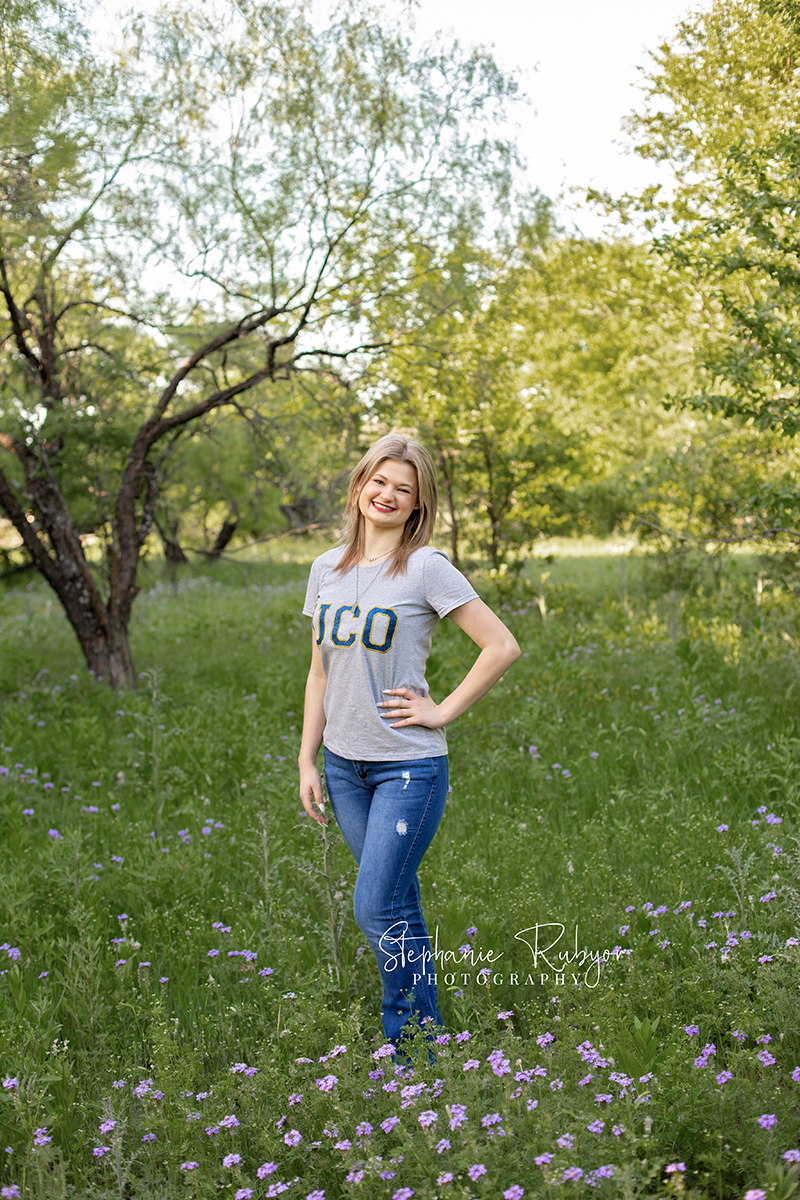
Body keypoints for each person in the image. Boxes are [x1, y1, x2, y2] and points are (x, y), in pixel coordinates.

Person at [298, 432, 520, 1045]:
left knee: (374, 905)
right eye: (379, 482)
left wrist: (441, 710)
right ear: (360, 485)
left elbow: (501, 646)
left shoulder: (426, 568)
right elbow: (319, 671)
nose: (388, 495)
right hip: (345, 769)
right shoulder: (326, 568)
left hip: (406, 769)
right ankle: (430, 1040)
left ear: (419, 503)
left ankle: (413, 1043)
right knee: (396, 902)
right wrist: (307, 759)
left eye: (404, 488)